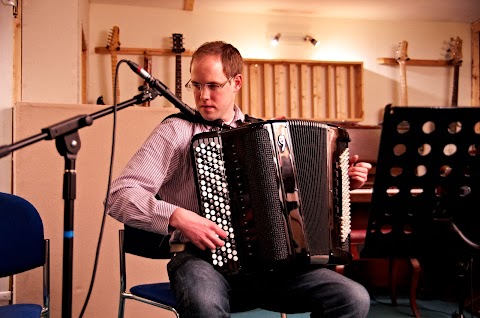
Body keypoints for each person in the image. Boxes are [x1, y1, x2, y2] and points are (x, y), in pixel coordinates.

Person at [107, 41, 372, 318]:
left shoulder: (264, 134)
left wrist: (341, 184)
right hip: (201, 261)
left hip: (272, 268)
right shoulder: (175, 131)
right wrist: (177, 216)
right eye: (196, 85)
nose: (202, 96)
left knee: (353, 298)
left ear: (236, 82)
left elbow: (298, 198)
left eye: (213, 85)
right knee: (205, 305)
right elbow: (120, 194)